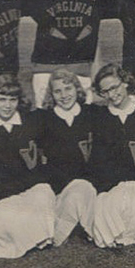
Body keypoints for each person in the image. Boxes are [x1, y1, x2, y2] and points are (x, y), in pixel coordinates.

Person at [0, 74, 55, 259]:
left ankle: (35, 235)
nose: (7, 105)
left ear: (19, 101)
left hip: (32, 187)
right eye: (1, 99)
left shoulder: (32, 121)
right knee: (7, 214)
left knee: (44, 194)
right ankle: (33, 236)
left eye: (12, 99)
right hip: (3, 191)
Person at [89, 64, 135, 248]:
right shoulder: (101, 117)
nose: (111, 94)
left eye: (114, 87)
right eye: (105, 91)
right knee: (107, 210)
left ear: (125, 82)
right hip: (113, 185)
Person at [39, 69, 97, 246]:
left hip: (89, 183)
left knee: (83, 190)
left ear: (77, 89)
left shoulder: (92, 113)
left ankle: (84, 227)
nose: (64, 95)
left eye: (68, 89)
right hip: (60, 186)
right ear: (51, 94)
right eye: (58, 91)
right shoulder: (43, 118)